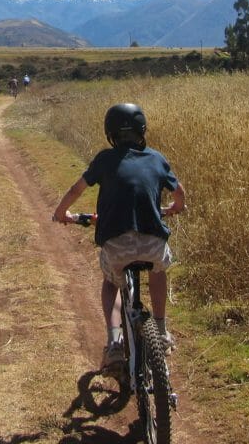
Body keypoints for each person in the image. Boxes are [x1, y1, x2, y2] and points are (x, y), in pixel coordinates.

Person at [53, 103, 186, 368]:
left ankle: (114, 343)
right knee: (158, 270)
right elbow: (179, 193)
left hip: (116, 245)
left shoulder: (104, 159)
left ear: (110, 132)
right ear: (142, 130)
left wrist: (61, 212)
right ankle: (160, 328)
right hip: (152, 243)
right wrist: (176, 208)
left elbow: (76, 189)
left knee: (111, 282)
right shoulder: (157, 158)